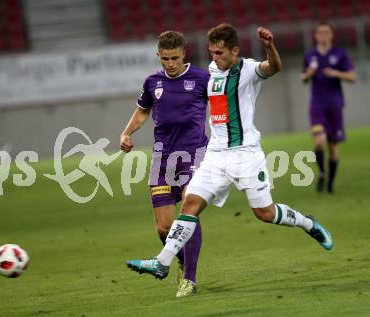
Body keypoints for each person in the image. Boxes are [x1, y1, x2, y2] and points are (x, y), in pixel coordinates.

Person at [126, 24, 333, 282]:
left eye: (220, 53)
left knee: (264, 213)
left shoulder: (248, 69)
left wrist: (269, 47)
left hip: (246, 154)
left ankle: (308, 224)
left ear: (235, 51)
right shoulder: (210, 72)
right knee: (190, 205)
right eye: (212, 52)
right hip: (215, 154)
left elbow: (274, 67)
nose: (215, 58)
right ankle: (162, 262)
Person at [120, 31, 210, 297]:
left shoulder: (201, 78)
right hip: (163, 158)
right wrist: (126, 133)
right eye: (165, 59)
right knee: (163, 227)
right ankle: (179, 259)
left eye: (175, 58)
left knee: (188, 211)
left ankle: (189, 279)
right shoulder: (152, 82)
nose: (170, 63)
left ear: (184, 54)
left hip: (194, 155)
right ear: (158, 55)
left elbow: (220, 105)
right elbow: (142, 111)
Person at [301, 22, 356, 193]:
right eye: (320, 32)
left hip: (335, 105)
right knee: (319, 141)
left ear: (331, 35)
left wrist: (336, 73)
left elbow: (352, 76)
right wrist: (308, 74)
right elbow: (303, 78)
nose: (323, 35)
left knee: (333, 147)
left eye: (326, 32)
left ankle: (330, 184)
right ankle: (322, 172)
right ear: (316, 36)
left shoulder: (339, 54)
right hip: (317, 105)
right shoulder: (310, 55)